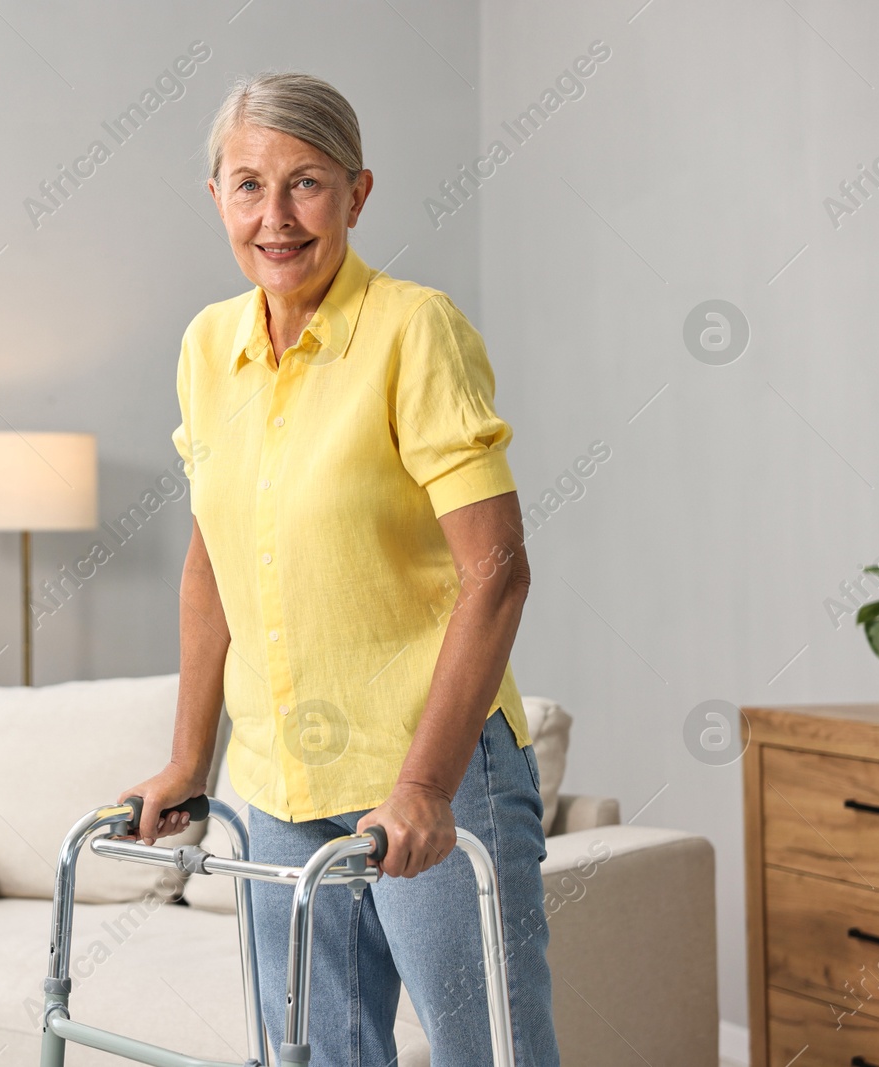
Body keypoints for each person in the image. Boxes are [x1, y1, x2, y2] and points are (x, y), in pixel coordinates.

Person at [119, 72, 561, 1066]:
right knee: (313, 1055)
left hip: (422, 766)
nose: (273, 218)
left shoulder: (414, 329)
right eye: (246, 186)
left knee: (486, 1050)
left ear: (357, 195)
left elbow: (496, 571)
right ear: (215, 198)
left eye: (305, 184)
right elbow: (211, 561)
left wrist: (424, 785)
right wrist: (190, 757)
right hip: (276, 784)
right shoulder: (206, 346)